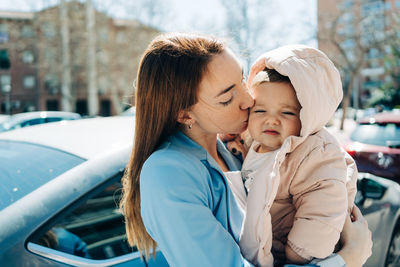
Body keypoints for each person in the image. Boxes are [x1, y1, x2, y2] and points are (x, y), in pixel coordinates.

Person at [119, 33, 372, 267]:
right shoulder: (168, 174)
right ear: (184, 114)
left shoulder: (239, 150)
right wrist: (346, 259)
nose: (249, 100)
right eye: (227, 98)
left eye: (242, 80)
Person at [224, 45, 358, 267]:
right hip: (261, 249)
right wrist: (234, 142)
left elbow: (322, 211)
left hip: (290, 255)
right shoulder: (257, 140)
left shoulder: (315, 155)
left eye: (287, 112)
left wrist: (298, 256)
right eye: (260, 111)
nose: (271, 120)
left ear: (309, 116)